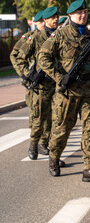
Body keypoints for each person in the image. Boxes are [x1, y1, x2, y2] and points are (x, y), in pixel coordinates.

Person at [39, 0, 90, 181]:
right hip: (67, 93)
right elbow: (44, 59)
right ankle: (54, 158)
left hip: (89, 92)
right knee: (62, 129)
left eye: (85, 12)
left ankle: (89, 168)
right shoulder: (60, 35)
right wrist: (59, 77)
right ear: (71, 15)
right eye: (78, 13)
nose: (82, 15)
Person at [15, 7, 58, 161]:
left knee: (56, 120)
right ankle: (34, 143)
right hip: (40, 86)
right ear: (45, 20)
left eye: (57, 17)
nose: (55, 20)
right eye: (52, 18)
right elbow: (19, 58)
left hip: (57, 85)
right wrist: (28, 74)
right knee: (39, 119)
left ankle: (51, 150)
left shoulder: (60, 36)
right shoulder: (34, 38)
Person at [10, 10, 44, 159]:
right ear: (36, 22)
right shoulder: (30, 38)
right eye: (41, 21)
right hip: (35, 82)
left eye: (46, 20)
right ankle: (34, 143)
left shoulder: (55, 36)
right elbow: (15, 55)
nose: (44, 23)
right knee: (36, 115)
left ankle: (44, 142)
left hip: (51, 82)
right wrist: (25, 74)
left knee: (51, 117)